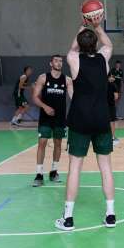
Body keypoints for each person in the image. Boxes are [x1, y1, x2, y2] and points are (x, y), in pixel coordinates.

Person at [55, 10, 116, 231]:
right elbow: (108, 44)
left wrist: (83, 25)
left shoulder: (73, 59)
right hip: (101, 120)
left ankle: (68, 218)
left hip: (80, 120)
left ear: (80, 44)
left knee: (75, 168)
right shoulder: (103, 58)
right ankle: (110, 214)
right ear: (96, 44)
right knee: (106, 167)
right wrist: (97, 25)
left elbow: (71, 49)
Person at [31, 55, 73, 187]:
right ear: (51, 63)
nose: (59, 63)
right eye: (56, 61)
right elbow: (35, 97)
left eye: (61, 61)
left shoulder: (67, 80)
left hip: (60, 118)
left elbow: (74, 97)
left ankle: (54, 172)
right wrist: (45, 107)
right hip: (45, 118)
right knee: (42, 143)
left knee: (58, 144)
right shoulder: (43, 77)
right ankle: (39, 174)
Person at [108, 74, 120, 145]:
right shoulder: (114, 85)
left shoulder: (102, 84)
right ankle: (112, 137)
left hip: (103, 106)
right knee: (112, 122)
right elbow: (116, 97)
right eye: (111, 77)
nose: (113, 78)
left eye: (113, 77)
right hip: (111, 106)